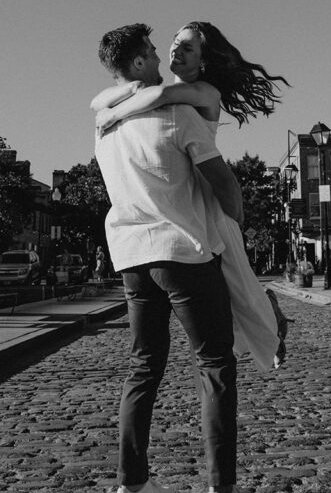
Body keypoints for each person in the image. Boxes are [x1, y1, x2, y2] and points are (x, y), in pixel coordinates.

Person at [94, 22, 254, 493]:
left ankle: (132, 487)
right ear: (140, 62)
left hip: (131, 257)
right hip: (181, 253)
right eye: (152, 49)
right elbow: (224, 185)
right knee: (214, 366)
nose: (162, 52)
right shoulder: (180, 113)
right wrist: (233, 232)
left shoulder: (106, 124)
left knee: (144, 367)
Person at [92, 21, 289, 371]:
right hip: (187, 202)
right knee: (222, 297)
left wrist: (114, 113)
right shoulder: (154, 91)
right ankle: (262, 327)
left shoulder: (203, 92)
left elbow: (162, 97)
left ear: (203, 60)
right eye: (174, 43)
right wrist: (117, 101)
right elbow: (98, 99)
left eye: (187, 48)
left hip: (210, 202)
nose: (174, 51)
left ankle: (271, 327)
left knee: (239, 286)